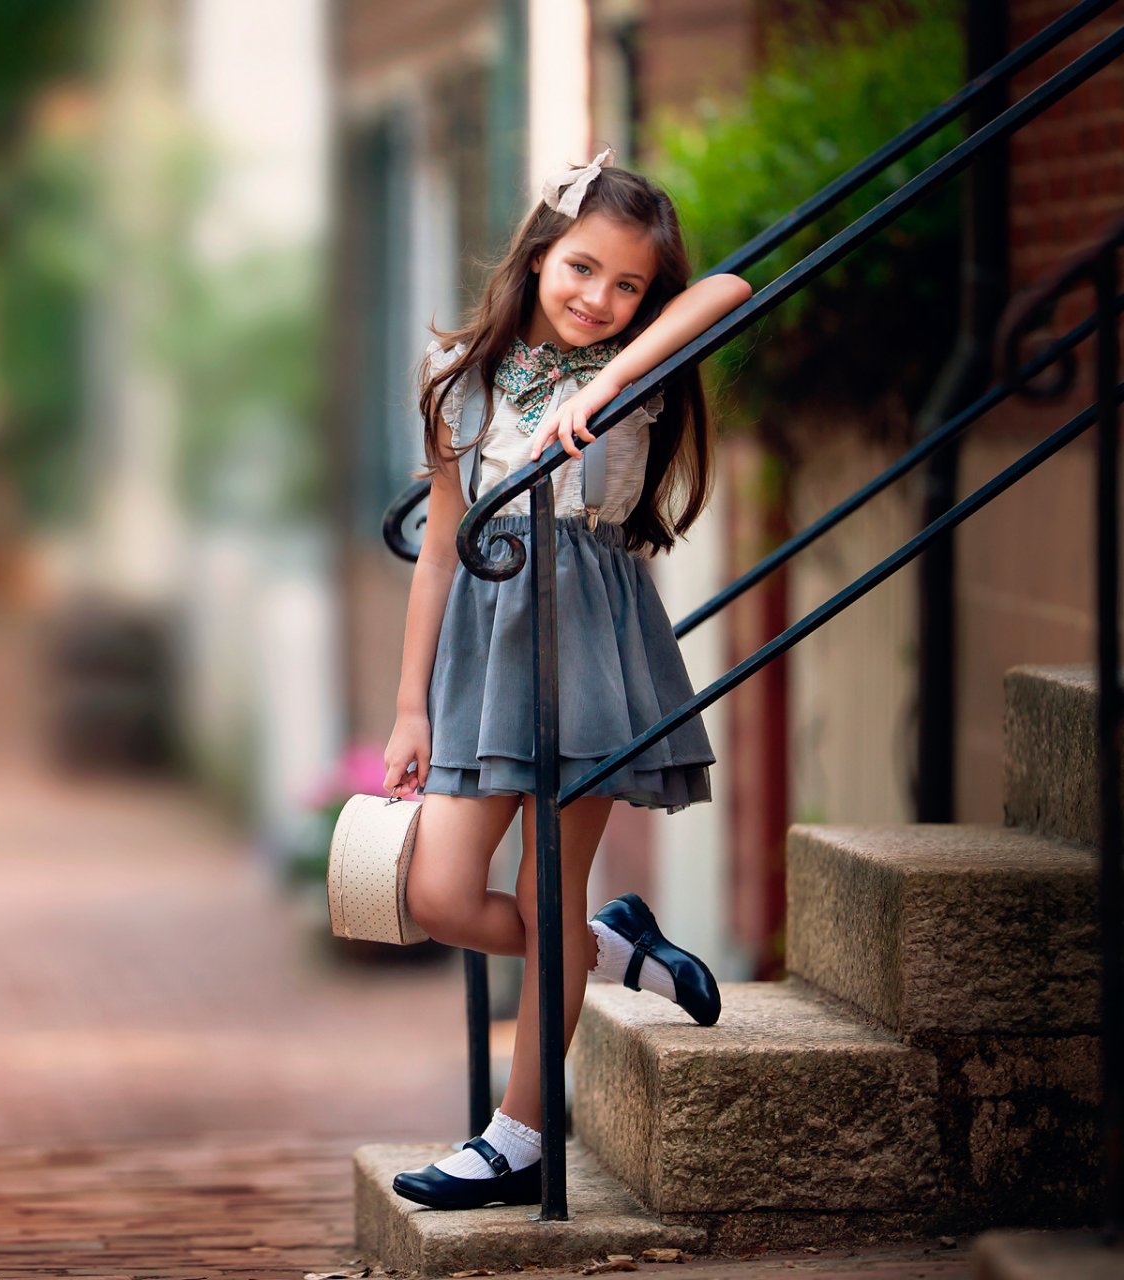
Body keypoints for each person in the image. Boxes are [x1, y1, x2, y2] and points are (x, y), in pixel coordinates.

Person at [381, 148, 753, 1212]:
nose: (602, 298)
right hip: (481, 649)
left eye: (629, 283)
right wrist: (410, 706)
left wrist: (617, 373)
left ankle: (519, 1135)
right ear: (540, 256)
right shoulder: (462, 381)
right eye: (582, 269)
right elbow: (441, 548)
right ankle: (610, 946)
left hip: (588, 632)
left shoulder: (638, 364)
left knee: (548, 888)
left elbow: (731, 288)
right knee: (440, 891)